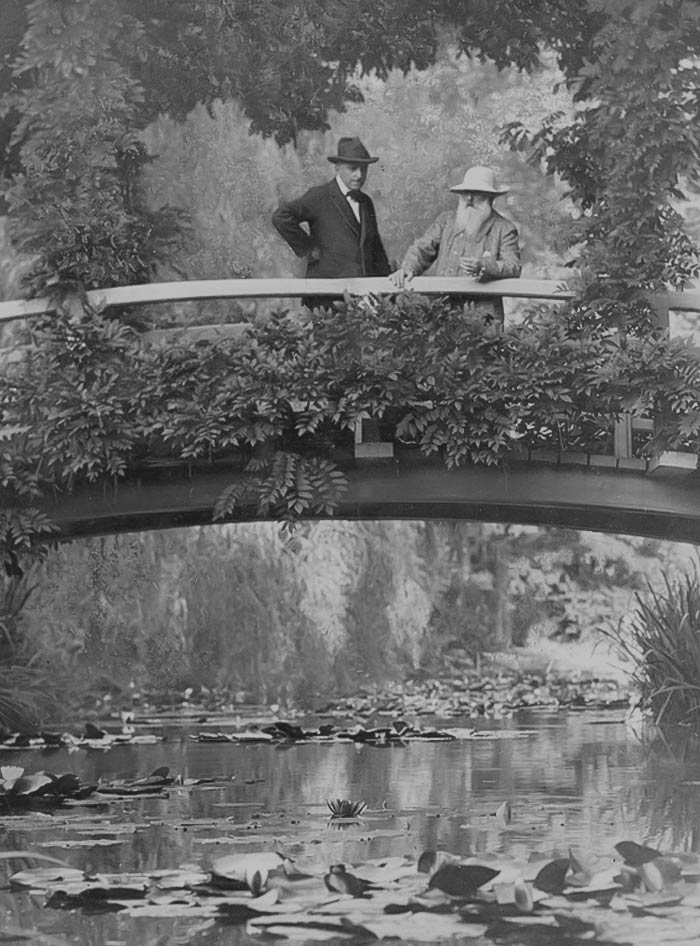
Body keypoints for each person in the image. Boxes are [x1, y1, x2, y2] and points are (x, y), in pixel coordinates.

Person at [389, 165, 521, 324]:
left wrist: (484, 266)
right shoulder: (446, 221)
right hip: (441, 312)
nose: (470, 199)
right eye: (466, 193)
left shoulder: (504, 229)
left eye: (477, 194)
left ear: (490, 198)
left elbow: (513, 266)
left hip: (481, 317)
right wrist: (408, 268)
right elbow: (422, 248)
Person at [272, 137, 391, 310]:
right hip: (326, 301)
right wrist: (308, 248)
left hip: (363, 301)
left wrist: (390, 292)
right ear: (337, 168)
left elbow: (376, 250)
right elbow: (281, 217)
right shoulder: (320, 196)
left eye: (363, 169)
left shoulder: (366, 202)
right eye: (352, 169)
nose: (359, 175)